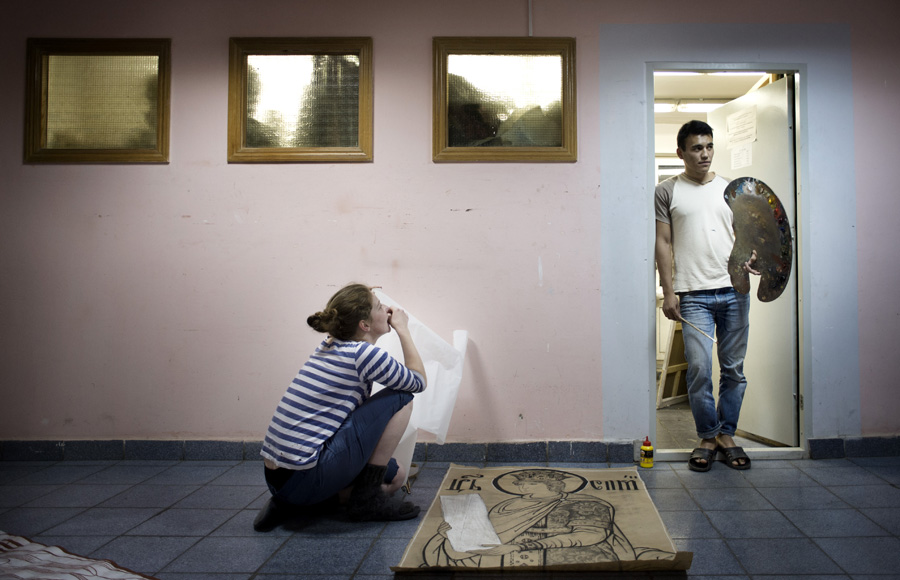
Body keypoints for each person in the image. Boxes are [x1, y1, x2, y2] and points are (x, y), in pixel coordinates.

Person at [253, 283, 427, 531]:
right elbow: (418, 382)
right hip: (303, 476)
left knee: (397, 476)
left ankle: (296, 503)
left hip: (277, 479)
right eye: (380, 307)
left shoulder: (331, 344)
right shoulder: (363, 353)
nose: (388, 309)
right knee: (402, 395)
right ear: (364, 325)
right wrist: (403, 329)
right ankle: (365, 502)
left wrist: (359, 298)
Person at [654, 120, 759, 472]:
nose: (705, 154)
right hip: (693, 294)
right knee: (699, 369)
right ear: (681, 152)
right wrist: (668, 292)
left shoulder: (731, 189)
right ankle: (708, 434)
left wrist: (753, 259)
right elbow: (664, 243)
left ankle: (725, 435)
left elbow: (743, 237)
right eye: (697, 148)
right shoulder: (667, 191)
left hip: (734, 290)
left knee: (733, 369)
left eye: (709, 146)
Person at [422, 469, 640, 567]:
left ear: (553, 486)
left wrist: (521, 548)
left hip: (566, 558)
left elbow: (591, 535)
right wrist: (454, 534)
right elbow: (488, 533)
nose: (522, 487)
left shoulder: (583, 503)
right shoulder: (507, 506)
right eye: (520, 484)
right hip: (503, 555)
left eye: (531, 483)